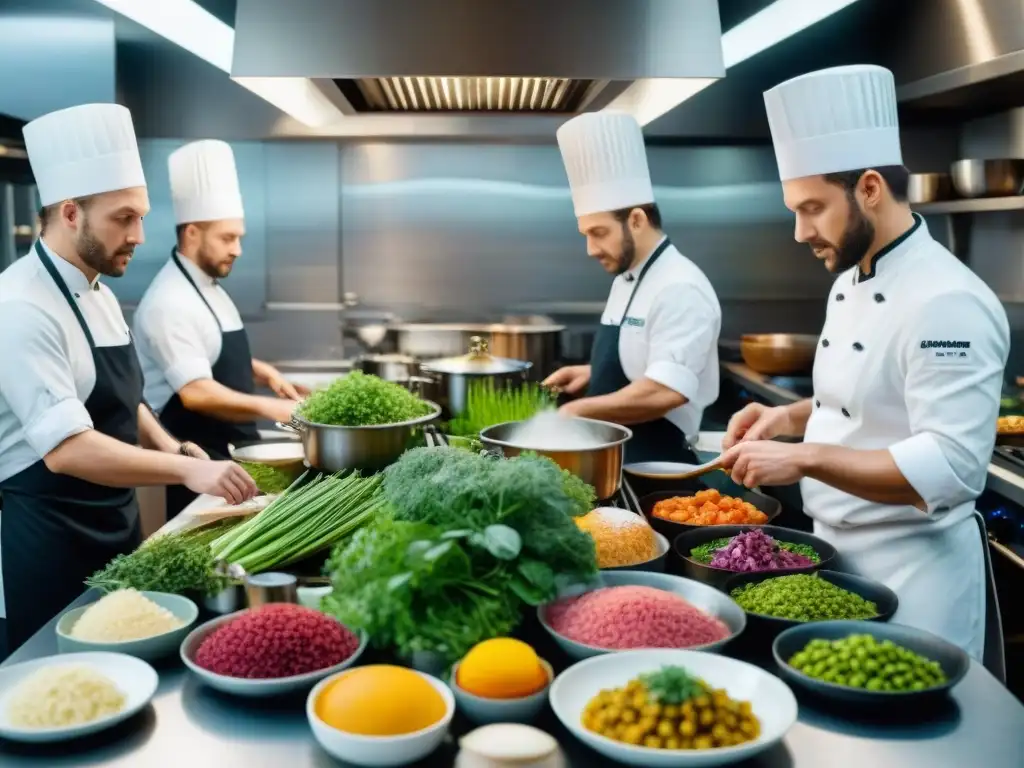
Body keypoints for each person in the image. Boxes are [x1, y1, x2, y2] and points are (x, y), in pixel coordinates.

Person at [719, 65, 1010, 660]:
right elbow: (862, 395)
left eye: (812, 208)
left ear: (870, 188)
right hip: (838, 560)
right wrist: (790, 419)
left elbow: (952, 468)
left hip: (913, 579)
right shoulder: (851, 278)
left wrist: (803, 458)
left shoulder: (946, 300)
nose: (800, 232)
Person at [0, 104, 258, 654]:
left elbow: (124, 399)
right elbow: (67, 449)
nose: (140, 234)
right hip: (51, 539)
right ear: (71, 213)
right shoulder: (20, 305)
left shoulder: (101, 292)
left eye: (141, 216)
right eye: (124, 218)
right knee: (59, 685)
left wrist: (175, 448)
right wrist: (189, 472)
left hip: (115, 526)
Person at [133, 140, 306, 517]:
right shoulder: (169, 301)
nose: (238, 249)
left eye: (239, 237)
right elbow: (197, 393)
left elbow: (208, 351)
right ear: (192, 233)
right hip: (201, 465)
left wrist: (264, 372)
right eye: (228, 238)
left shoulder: (207, 286)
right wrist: (282, 408)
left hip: (234, 453)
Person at [544, 111, 722, 468]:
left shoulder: (680, 288)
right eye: (586, 235)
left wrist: (575, 413)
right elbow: (646, 360)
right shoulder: (630, 275)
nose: (591, 250)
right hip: (620, 453)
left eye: (599, 233)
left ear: (637, 220)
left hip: (656, 464)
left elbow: (664, 391)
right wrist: (592, 373)